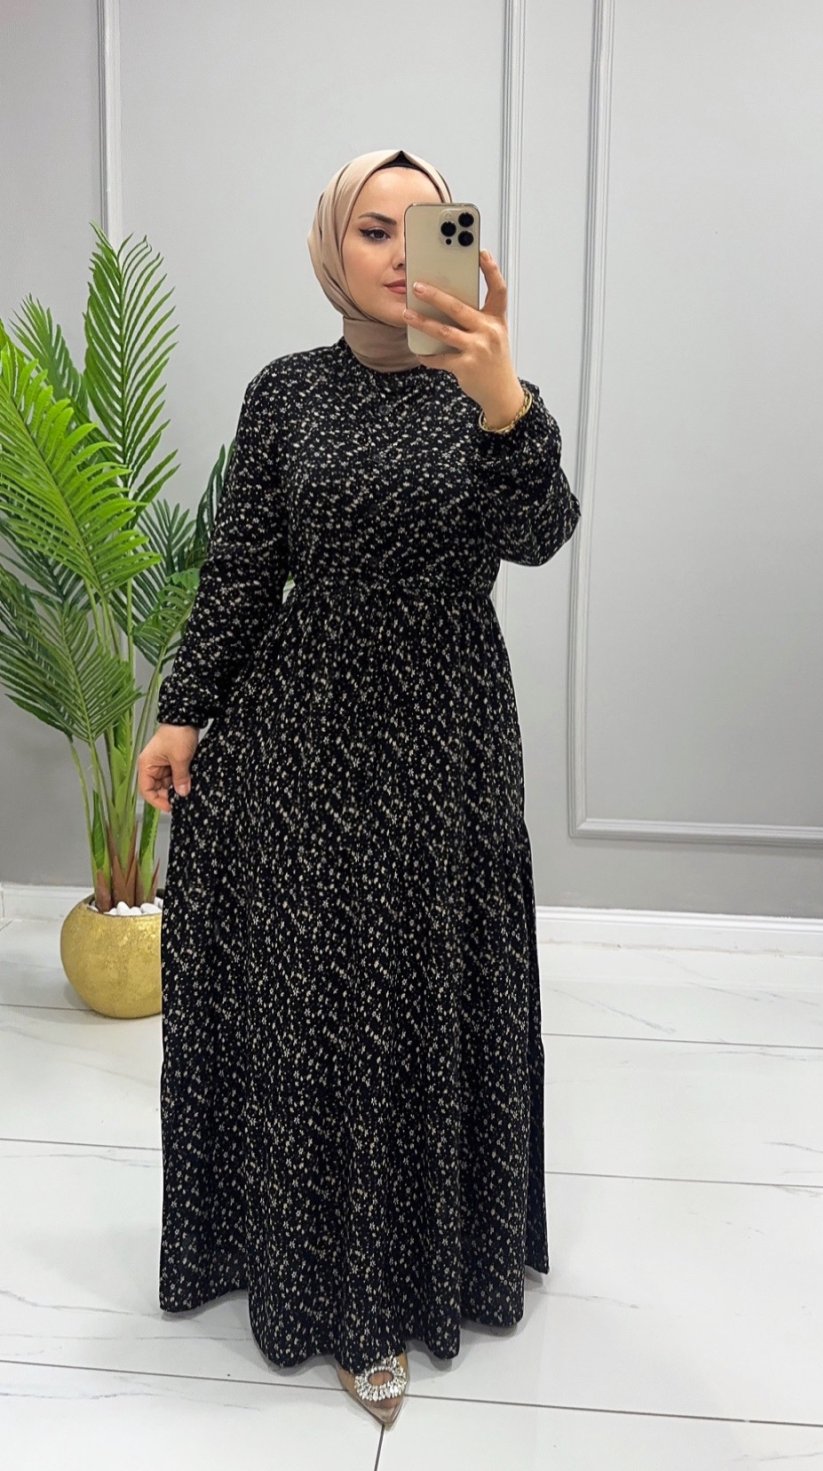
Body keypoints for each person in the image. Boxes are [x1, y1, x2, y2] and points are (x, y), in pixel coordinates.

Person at [137, 147, 581, 1429]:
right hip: (303, 738)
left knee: (420, 994)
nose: (398, 250)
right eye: (372, 227)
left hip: (447, 738)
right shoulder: (284, 393)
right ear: (333, 248)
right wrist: (184, 710)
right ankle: (320, 1276)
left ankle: (418, 1265)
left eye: (423, 225)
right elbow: (242, 569)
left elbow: (539, 533)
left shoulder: (487, 386)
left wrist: (502, 402)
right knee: (316, 1003)